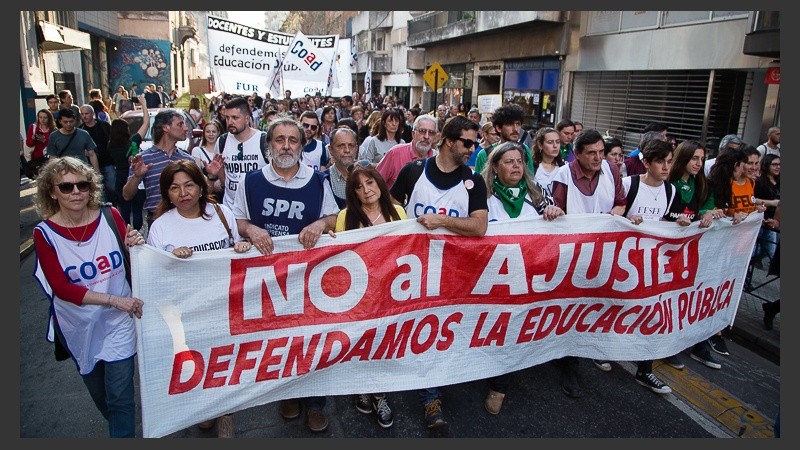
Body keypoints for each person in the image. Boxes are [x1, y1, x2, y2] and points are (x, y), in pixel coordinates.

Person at [233, 116, 339, 433]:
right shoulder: (251, 182)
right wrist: (250, 228)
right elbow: (236, 220)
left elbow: (334, 218)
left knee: (313, 341)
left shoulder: (317, 181)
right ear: (269, 146)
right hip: (267, 279)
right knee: (278, 342)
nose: (286, 146)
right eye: (280, 140)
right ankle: (287, 395)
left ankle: (316, 404)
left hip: (309, 278)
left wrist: (320, 224)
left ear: (302, 146)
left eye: (293, 140)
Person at [31, 156, 146, 438]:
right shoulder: (44, 234)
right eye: (66, 187)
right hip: (78, 326)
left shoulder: (110, 216)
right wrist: (112, 300)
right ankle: (122, 425)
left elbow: (133, 254)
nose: (76, 192)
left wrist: (136, 243)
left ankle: (123, 431)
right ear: (52, 192)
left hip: (120, 320)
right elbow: (62, 287)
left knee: (120, 395)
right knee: (102, 397)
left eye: (82, 185)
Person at [390, 115, 488, 429]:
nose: (472, 148)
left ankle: (431, 396)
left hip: (452, 270)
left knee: (438, 331)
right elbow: (389, 209)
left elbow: (479, 226)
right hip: (411, 269)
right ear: (448, 141)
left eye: (475, 143)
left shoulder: (473, 180)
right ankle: (402, 382)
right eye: (467, 142)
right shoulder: (413, 172)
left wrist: (443, 221)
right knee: (408, 328)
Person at [146, 160, 251, 437]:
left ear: (200, 186)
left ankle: (226, 413)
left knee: (226, 362)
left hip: (224, 305)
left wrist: (242, 246)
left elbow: (237, 248)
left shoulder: (221, 213)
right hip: (186, 312)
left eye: (189, 185)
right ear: (166, 193)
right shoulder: (160, 227)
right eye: (175, 188)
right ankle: (205, 409)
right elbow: (154, 275)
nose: (184, 193)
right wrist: (171, 260)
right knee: (198, 363)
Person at [478, 141, 564, 414]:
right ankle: (491, 377)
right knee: (495, 330)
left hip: (529, 279)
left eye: (519, 161)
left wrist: (555, 214)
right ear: (494, 166)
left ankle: (502, 380)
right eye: (508, 161)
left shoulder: (538, 196)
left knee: (515, 331)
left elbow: (562, 228)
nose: (515, 166)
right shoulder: (482, 197)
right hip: (492, 280)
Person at [550, 128, 626, 398]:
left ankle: (583, 349)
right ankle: (568, 362)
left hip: (601, 252)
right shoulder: (562, 176)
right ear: (577, 154)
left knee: (591, 304)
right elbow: (555, 212)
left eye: (601, 152)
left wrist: (611, 216)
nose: (598, 158)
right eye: (591, 153)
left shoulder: (611, 171)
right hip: (571, 254)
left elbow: (620, 203)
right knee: (569, 306)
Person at [334, 162, 404, 428]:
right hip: (359, 294)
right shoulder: (345, 217)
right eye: (359, 187)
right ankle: (362, 386)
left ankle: (380, 393)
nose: (366, 190)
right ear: (353, 193)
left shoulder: (398, 213)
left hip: (390, 293)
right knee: (361, 344)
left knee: (383, 345)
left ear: (379, 183)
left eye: (370, 182)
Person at [616, 139, 681, 394]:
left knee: (651, 314)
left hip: (652, 264)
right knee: (616, 310)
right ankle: (603, 351)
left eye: (669, 161)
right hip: (623, 263)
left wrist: (682, 222)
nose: (666, 167)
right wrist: (627, 219)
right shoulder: (629, 184)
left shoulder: (671, 191)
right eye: (660, 162)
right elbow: (612, 217)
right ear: (646, 163)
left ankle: (645, 369)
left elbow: (670, 221)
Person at [664, 139, 725, 369]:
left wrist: (711, 212)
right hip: (669, 251)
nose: (699, 163)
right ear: (683, 158)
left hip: (695, 249)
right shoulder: (669, 181)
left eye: (702, 159)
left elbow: (708, 207)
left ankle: (699, 344)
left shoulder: (703, 185)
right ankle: (665, 345)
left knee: (693, 298)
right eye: (694, 158)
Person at [707, 145, 767, 354]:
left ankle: (717, 327)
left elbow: (747, 204)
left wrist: (755, 209)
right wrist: (733, 215)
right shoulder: (725, 184)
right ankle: (712, 332)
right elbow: (723, 208)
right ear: (738, 165)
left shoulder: (751, 183)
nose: (752, 167)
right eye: (748, 163)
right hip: (723, 247)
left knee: (729, 289)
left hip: (742, 248)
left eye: (755, 163)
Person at [122, 109, 199, 227]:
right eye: (180, 124)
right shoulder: (144, 159)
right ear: (165, 128)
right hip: (157, 221)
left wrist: (211, 176)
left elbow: (201, 192)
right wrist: (136, 176)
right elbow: (127, 195)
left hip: (186, 220)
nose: (186, 128)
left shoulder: (187, 159)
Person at [204, 97, 268, 212]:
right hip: (231, 209)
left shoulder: (263, 140)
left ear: (247, 119)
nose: (230, 122)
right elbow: (220, 168)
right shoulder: (222, 141)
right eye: (227, 118)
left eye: (235, 118)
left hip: (258, 209)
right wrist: (214, 176)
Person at [107, 95, 149, 230]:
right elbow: (146, 124)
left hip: (119, 176)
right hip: (133, 176)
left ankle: (125, 231)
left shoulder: (110, 146)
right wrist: (143, 104)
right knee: (137, 208)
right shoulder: (133, 143)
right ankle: (137, 231)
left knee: (124, 208)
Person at [377, 114, 439, 189]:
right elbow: (376, 184)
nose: (426, 136)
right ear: (413, 134)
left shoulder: (437, 158)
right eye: (422, 131)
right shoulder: (395, 153)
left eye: (431, 133)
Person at [473, 103, 535, 175]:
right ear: (498, 128)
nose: (515, 129)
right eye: (510, 124)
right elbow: (480, 183)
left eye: (518, 124)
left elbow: (530, 180)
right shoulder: (485, 154)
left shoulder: (525, 149)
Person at [45, 108, 100, 174]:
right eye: (65, 122)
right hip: (63, 171)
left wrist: (97, 172)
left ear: (75, 121)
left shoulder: (83, 134)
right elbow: (52, 157)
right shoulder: (54, 136)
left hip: (81, 169)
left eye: (71, 121)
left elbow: (92, 154)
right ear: (60, 121)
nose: (68, 124)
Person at [79, 104, 114, 204]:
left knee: (112, 187)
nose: (84, 116)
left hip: (107, 162)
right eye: (82, 114)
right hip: (90, 165)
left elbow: (112, 141)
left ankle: (113, 206)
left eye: (86, 113)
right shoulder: (80, 130)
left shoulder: (104, 126)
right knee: (98, 191)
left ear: (93, 113)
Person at [752, 154, 780, 268]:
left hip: (773, 220)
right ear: (767, 165)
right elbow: (752, 199)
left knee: (769, 250)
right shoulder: (759, 181)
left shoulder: (780, 181)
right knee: (752, 249)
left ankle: (747, 263)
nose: (778, 167)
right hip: (759, 218)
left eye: (779, 164)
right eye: (774, 164)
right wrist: (771, 202)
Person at [324, 127, 359, 208]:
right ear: (331, 150)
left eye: (351, 145)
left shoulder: (367, 177)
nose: (347, 150)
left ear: (356, 148)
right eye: (341, 146)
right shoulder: (322, 180)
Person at [531, 127, 564, 197]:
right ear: (540, 145)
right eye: (550, 142)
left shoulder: (564, 167)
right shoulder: (532, 166)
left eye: (558, 142)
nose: (555, 146)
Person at [25, 109, 57, 179]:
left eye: (45, 117)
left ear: (49, 118)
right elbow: (29, 144)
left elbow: (56, 146)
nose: (42, 120)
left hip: (50, 159)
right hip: (37, 158)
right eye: (40, 117)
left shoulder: (54, 130)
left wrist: (44, 141)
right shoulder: (33, 127)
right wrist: (33, 139)